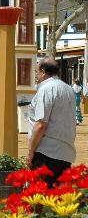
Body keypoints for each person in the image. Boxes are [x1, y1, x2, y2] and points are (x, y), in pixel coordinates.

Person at [27, 57, 77, 187]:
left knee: (42, 197)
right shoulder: (68, 89)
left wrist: (31, 151)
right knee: (59, 197)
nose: (36, 76)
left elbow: (41, 125)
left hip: (46, 152)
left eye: (36, 72)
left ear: (43, 72)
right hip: (65, 152)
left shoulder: (46, 89)